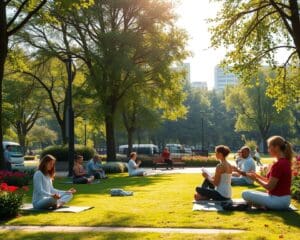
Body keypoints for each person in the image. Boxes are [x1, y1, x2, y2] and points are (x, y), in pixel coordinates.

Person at [242, 136, 292, 210]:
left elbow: (269, 187)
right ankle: (261, 206)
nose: (268, 150)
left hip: (278, 201)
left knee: (245, 193)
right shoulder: (285, 162)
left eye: (269, 147)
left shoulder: (279, 164)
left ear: (277, 147)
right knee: (250, 192)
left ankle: (262, 206)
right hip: (284, 200)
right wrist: (257, 176)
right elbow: (270, 181)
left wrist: (256, 179)